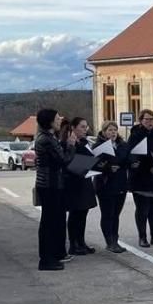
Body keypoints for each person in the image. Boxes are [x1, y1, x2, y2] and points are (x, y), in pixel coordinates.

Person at [35, 108, 75, 271]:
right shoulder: (46, 139)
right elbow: (63, 160)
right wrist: (71, 146)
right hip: (49, 185)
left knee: (57, 220)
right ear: (50, 122)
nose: (60, 120)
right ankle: (46, 259)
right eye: (57, 118)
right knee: (49, 223)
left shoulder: (50, 137)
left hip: (54, 184)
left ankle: (57, 254)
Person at [127, 109, 153, 248]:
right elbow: (132, 155)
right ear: (141, 120)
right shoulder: (135, 135)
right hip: (141, 177)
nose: (149, 122)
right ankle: (142, 237)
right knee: (142, 209)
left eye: (152, 119)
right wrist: (144, 166)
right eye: (146, 119)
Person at [64, 117, 98, 257]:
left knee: (83, 213)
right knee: (75, 214)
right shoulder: (68, 143)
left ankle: (81, 242)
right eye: (82, 127)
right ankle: (73, 245)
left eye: (86, 127)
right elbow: (67, 160)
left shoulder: (84, 142)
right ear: (73, 128)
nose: (85, 129)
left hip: (85, 180)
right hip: (73, 182)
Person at [95, 121, 129, 254]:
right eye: (110, 130)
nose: (113, 132)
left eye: (115, 130)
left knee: (116, 215)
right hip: (105, 184)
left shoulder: (122, 145)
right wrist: (108, 168)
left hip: (120, 183)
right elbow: (95, 164)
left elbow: (126, 160)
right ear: (104, 132)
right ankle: (109, 242)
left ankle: (115, 240)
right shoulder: (98, 146)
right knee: (107, 214)